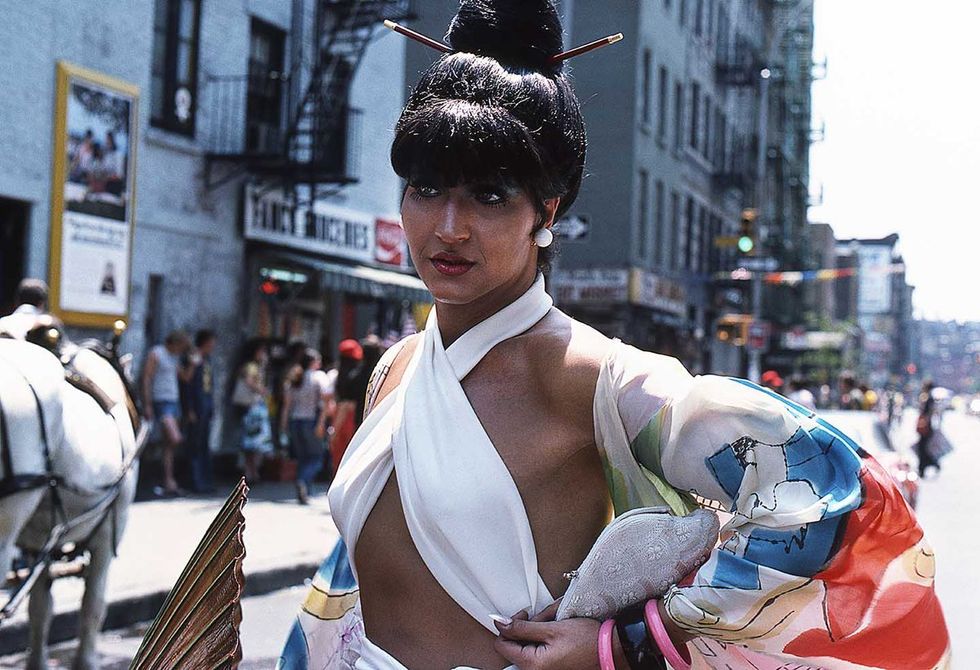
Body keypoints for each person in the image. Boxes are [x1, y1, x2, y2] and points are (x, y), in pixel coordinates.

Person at [278, 3, 949, 668]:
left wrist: (629, 645)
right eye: (426, 188)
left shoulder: (597, 380)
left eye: (489, 196)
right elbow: (356, 581)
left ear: (547, 210)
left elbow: (827, 497)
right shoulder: (392, 369)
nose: (448, 226)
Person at [280, 348, 336, 504]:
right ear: (313, 362)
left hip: (295, 421)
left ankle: (305, 488)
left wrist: (283, 426)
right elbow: (327, 400)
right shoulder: (318, 377)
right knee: (317, 457)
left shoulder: (294, 377)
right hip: (311, 420)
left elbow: (287, 405)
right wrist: (321, 423)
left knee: (303, 457)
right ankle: (303, 481)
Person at [142, 330, 194, 496]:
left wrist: (193, 363)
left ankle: (168, 481)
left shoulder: (174, 357)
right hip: (161, 400)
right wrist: (148, 404)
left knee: (169, 446)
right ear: (174, 343)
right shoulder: (157, 353)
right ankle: (158, 477)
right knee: (175, 438)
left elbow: (185, 377)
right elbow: (147, 378)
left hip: (173, 400)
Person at [232, 339, 274, 481]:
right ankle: (251, 471)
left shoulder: (251, 365)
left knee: (252, 442)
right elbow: (250, 381)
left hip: (250, 406)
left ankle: (251, 470)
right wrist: (263, 390)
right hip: (253, 406)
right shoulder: (252, 366)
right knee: (253, 441)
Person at [182, 329, 217, 494]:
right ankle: (195, 481)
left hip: (206, 405)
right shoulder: (194, 358)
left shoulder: (207, 360)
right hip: (196, 405)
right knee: (195, 445)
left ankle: (206, 479)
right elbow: (187, 385)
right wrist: (189, 408)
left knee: (204, 444)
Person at [329, 338, 364, 475]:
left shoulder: (336, 375)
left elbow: (340, 402)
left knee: (339, 457)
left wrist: (335, 428)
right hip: (353, 417)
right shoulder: (358, 375)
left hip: (340, 416)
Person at [914, 380, 938, 478]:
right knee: (922, 448)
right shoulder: (927, 397)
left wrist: (924, 422)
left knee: (922, 448)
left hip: (926, 427)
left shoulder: (929, 399)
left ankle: (926, 466)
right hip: (926, 426)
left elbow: (929, 413)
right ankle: (926, 466)